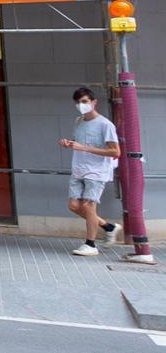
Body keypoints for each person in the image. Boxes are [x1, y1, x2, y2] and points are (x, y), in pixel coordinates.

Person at [61, 86, 121, 257]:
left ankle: (90, 244)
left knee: (89, 206)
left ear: (94, 102)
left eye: (85, 101)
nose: (81, 105)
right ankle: (108, 227)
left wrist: (84, 148)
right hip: (78, 168)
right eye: (78, 102)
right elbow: (79, 142)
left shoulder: (105, 125)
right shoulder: (78, 121)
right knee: (74, 206)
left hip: (96, 171)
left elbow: (115, 152)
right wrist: (69, 143)